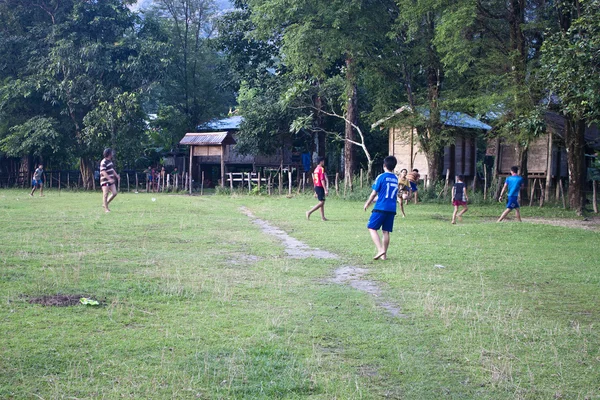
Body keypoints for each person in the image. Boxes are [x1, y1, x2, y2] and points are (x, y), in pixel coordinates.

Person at [364, 156, 399, 260]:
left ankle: (380, 249)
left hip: (380, 207)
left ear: (384, 165)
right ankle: (384, 255)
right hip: (392, 208)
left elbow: (374, 193)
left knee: (371, 227)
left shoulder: (381, 177)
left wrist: (367, 203)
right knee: (386, 231)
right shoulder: (395, 179)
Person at [306, 157, 329, 221]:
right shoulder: (321, 169)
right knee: (322, 202)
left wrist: (315, 191)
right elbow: (322, 180)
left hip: (317, 186)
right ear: (321, 162)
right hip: (320, 187)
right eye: (323, 161)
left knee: (321, 202)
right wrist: (325, 189)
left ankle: (323, 217)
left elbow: (315, 180)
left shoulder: (316, 169)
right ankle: (309, 212)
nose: (324, 163)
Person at [100, 148, 120, 213]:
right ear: (109, 154)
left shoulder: (110, 161)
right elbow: (103, 171)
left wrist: (116, 176)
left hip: (111, 180)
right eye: (111, 153)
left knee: (114, 193)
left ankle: (105, 204)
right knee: (105, 194)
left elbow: (112, 169)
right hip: (105, 180)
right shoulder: (104, 161)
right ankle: (106, 209)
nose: (112, 154)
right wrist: (109, 179)